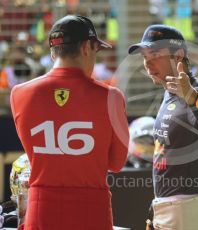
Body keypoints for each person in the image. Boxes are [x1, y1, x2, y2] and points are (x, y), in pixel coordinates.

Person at [10, 15, 129, 230]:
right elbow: (116, 163)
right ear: (86, 48)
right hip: (92, 212)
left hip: (41, 209)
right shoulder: (112, 97)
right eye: (96, 50)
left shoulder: (19, 93)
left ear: (53, 51)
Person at [128, 24, 198, 230]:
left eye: (154, 55)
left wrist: (190, 96)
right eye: (144, 57)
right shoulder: (169, 91)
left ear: (178, 56)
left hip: (187, 212)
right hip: (168, 210)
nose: (147, 63)